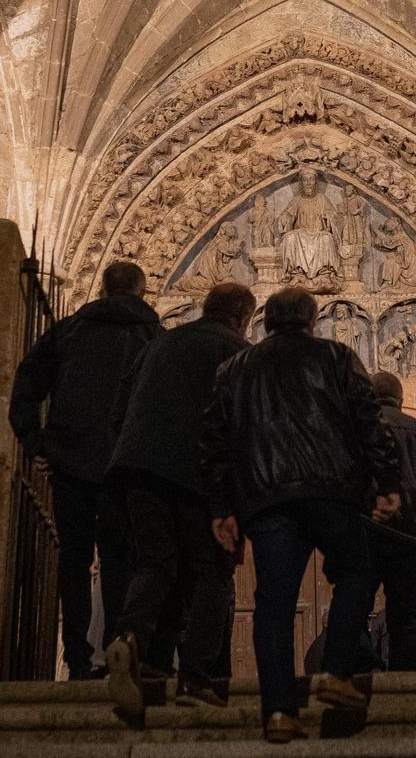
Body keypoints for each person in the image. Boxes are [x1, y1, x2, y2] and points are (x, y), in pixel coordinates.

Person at [203, 286, 402, 744]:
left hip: (266, 496)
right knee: (355, 572)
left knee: (272, 601)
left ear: (265, 321)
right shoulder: (336, 356)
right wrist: (387, 482)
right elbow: (367, 421)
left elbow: (214, 442)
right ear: (312, 319)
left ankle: (277, 713)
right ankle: (336, 671)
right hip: (331, 489)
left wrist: (221, 506)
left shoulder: (235, 368)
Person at [103, 281, 256, 721]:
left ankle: (133, 641)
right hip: (196, 475)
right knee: (212, 571)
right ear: (243, 317)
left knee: (155, 563)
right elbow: (236, 429)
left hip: (138, 468)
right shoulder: (236, 352)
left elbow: (120, 410)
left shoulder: (159, 343)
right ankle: (196, 676)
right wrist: (229, 502)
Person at [9, 260, 161, 679]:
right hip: (124, 468)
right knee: (120, 561)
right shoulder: (153, 336)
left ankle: (77, 659)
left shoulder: (69, 330)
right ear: (142, 293)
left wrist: (36, 442)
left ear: (104, 290)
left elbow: (25, 385)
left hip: (70, 463)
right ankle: (116, 653)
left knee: (73, 562)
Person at [367, 370, 416, 672]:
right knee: (406, 618)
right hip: (411, 537)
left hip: (367, 530)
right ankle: (404, 686)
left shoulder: (359, 427)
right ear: (402, 399)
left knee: (355, 605)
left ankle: (358, 678)